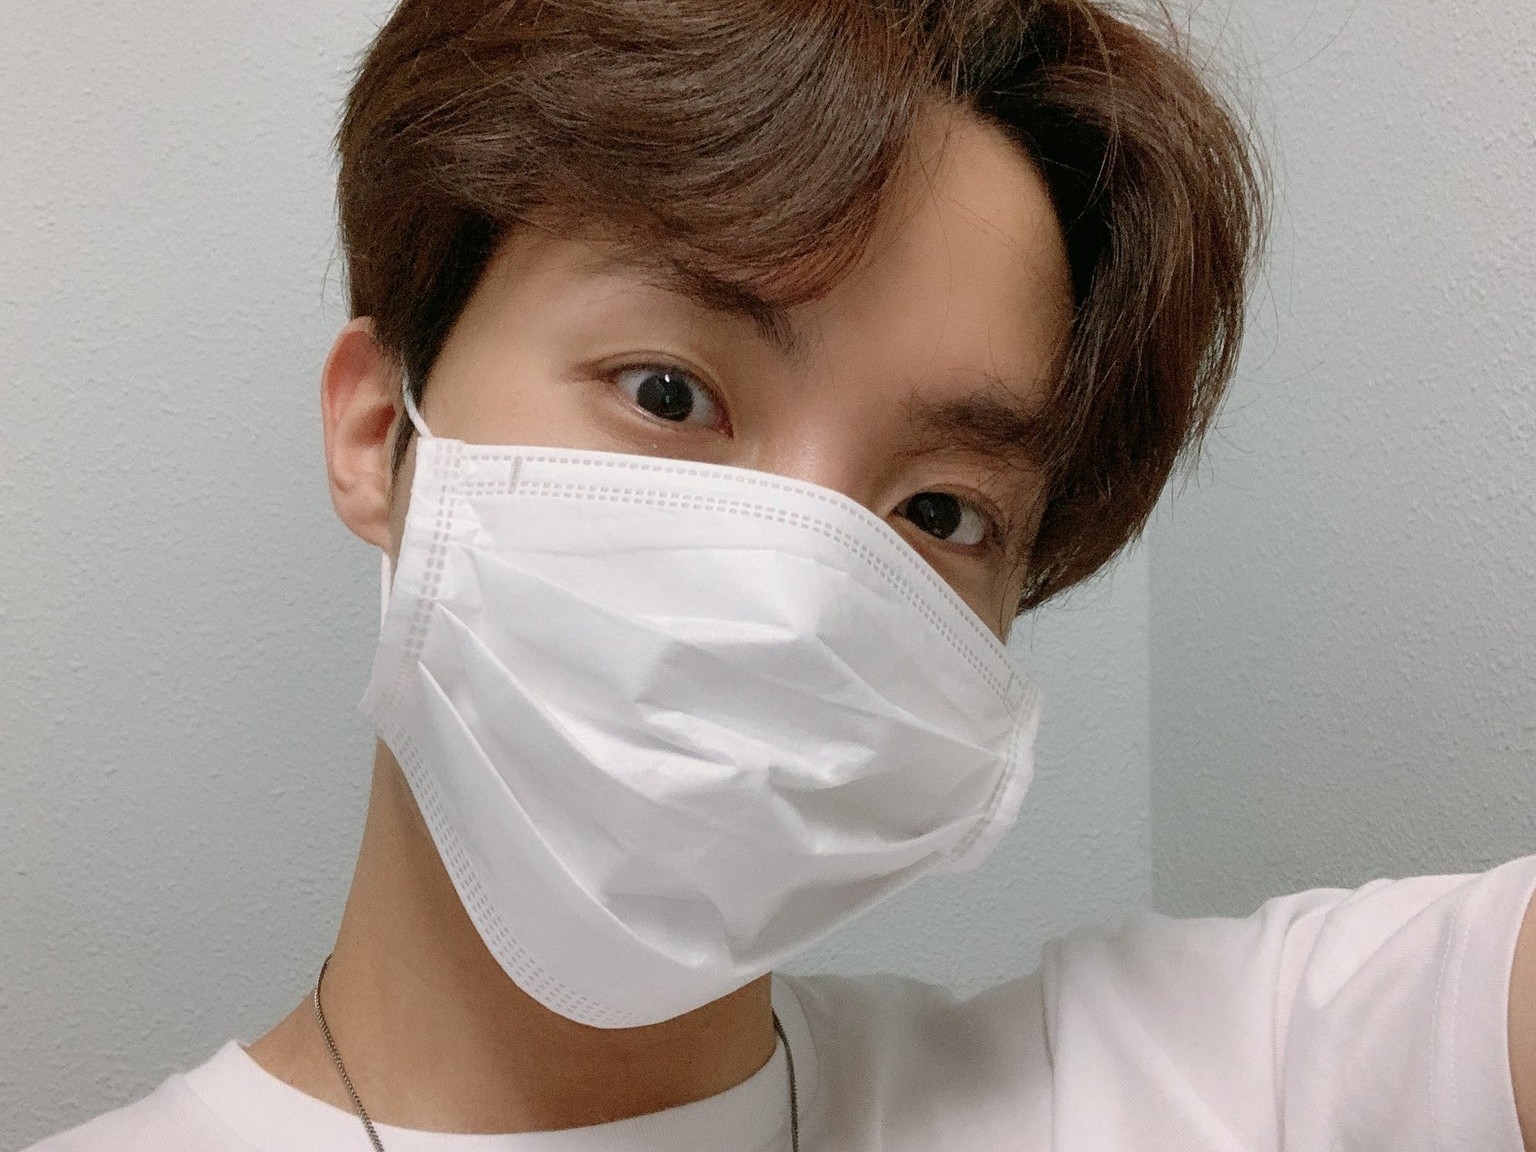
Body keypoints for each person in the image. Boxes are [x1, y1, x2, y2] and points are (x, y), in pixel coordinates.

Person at [22, 1, 1535, 1149]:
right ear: (378, 432)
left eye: (938, 510)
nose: (799, 597)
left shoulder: (1187, 1091)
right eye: (668, 393)